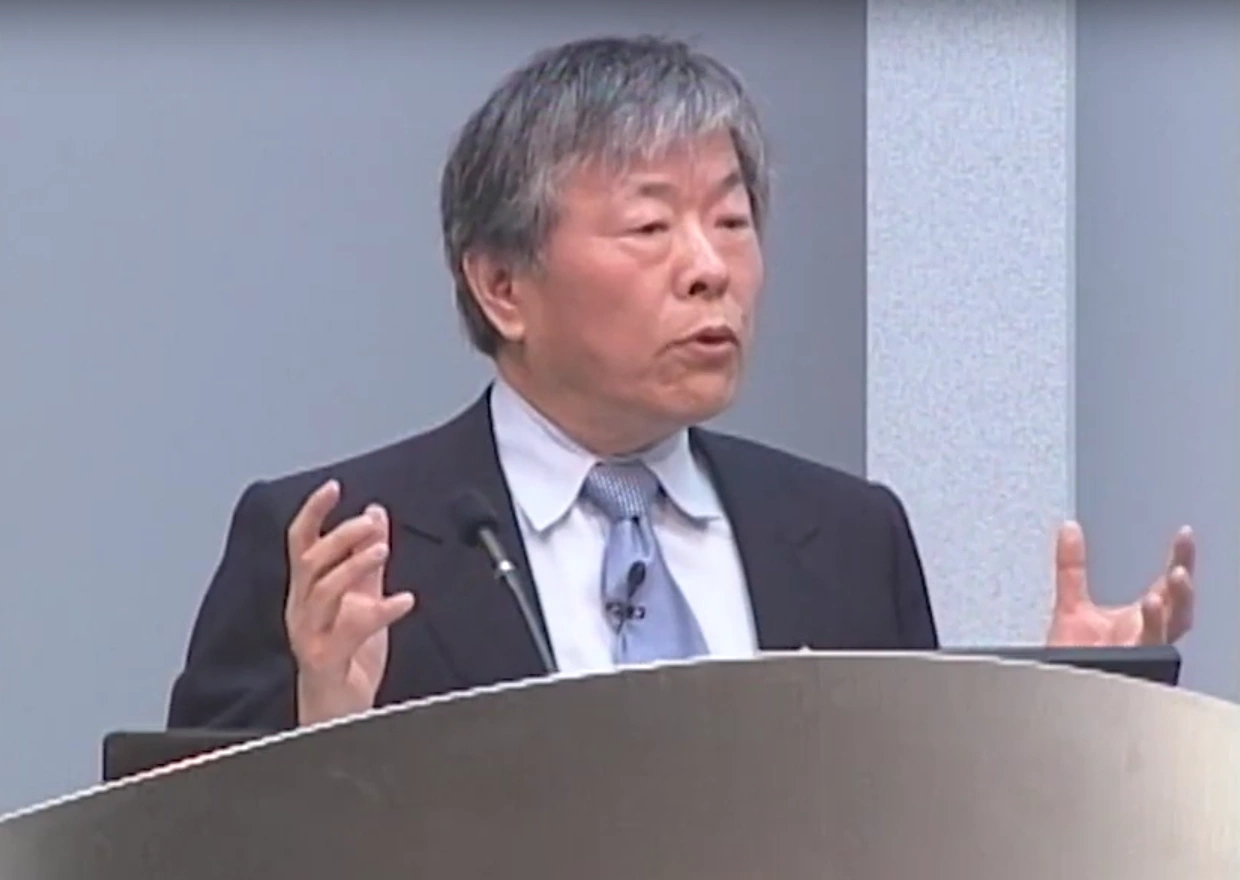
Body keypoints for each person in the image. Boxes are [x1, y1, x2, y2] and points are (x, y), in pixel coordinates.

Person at [166, 35, 1196, 731]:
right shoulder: (340, 543)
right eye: (652, 225)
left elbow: (913, 841)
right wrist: (318, 721)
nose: (709, 267)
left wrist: (1068, 716)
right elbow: (178, 852)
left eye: (732, 220)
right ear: (501, 284)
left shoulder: (847, 536)